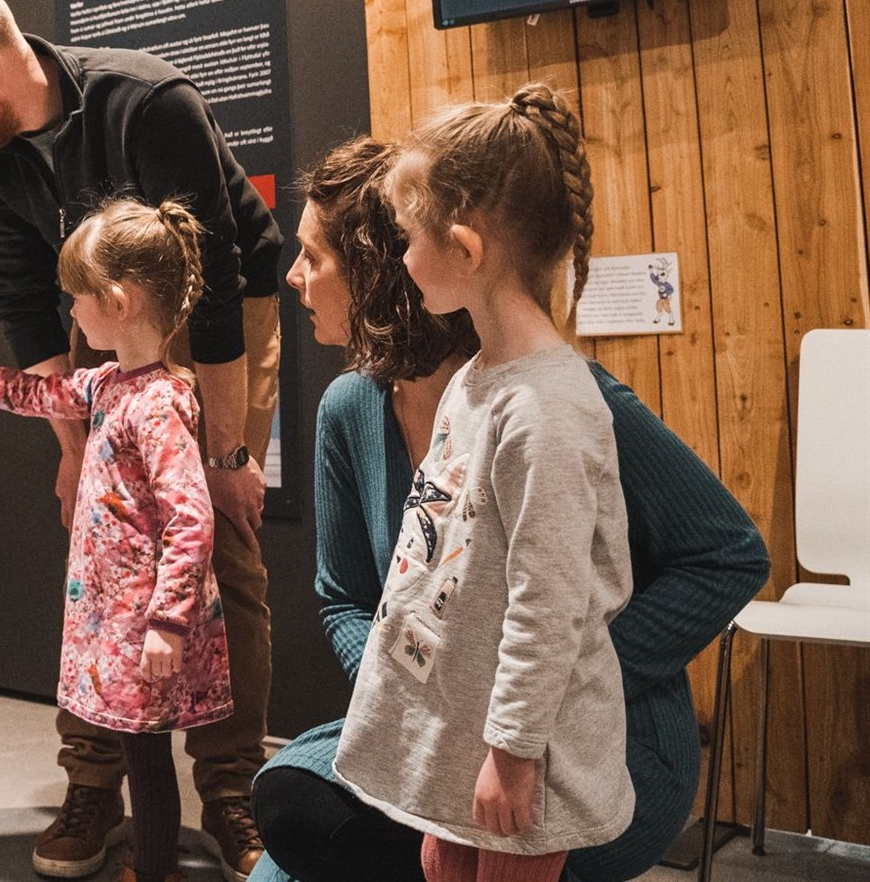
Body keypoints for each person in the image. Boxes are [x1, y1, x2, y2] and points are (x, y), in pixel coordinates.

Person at [251, 133, 768, 882]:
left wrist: (546, 694)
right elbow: (346, 601)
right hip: (445, 722)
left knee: (332, 835)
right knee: (296, 824)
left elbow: (729, 555)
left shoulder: (559, 403)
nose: (295, 276)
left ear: (386, 265)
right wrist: (425, 697)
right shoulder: (354, 408)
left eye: (314, 255)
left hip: (578, 737)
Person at [0, 0, 282, 879]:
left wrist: (222, 456)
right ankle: (94, 779)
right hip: (98, 328)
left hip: (216, 313)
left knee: (222, 542)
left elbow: (216, 295)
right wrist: (78, 459)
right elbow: (25, 305)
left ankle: (231, 788)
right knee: (99, 550)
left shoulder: (149, 104)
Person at [0, 197, 231, 882]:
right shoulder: (108, 384)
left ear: (119, 300)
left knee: (146, 754)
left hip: (143, 619)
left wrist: (168, 619)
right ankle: (152, 859)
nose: (71, 314)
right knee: (139, 749)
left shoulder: (160, 401)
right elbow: (32, 394)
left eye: (78, 299)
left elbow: (191, 517)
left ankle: (159, 867)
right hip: (118, 613)